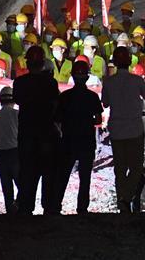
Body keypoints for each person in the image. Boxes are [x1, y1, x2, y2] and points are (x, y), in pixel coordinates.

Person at [101, 47, 145, 212]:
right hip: (134, 130)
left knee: (120, 169)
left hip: (117, 130)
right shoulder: (137, 81)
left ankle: (122, 201)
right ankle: (126, 198)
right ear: (130, 61)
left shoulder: (109, 82)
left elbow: (105, 103)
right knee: (136, 168)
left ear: (114, 62)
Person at [13, 45, 61, 214]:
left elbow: (18, 101)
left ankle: (26, 207)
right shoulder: (51, 83)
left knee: (27, 172)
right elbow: (56, 106)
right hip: (46, 133)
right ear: (42, 63)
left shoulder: (19, 82)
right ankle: (48, 207)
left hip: (27, 133)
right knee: (48, 172)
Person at [56, 60, 103, 214]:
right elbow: (98, 120)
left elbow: (57, 118)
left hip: (68, 141)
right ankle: (82, 208)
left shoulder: (65, 96)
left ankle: (56, 205)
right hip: (86, 141)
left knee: (63, 175)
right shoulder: (92, 97)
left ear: (72, 76)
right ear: (87, 77)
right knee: (85, 178)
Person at [0, 86, 20, 213]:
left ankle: (10, 211)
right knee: (21, 184)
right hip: (15, 153)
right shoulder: (17, 115)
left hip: (0, 154)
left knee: (6, 186)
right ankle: (19, 207)